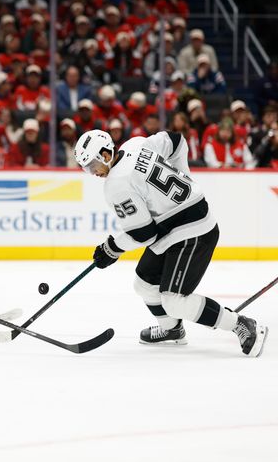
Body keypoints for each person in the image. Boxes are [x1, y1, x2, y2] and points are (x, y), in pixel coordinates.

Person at [73, 129, 267, 356]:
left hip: (192, 230)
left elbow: (145, 234)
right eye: (86, 168)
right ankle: (172, 330)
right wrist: (184, 175)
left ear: (106, 155)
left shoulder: (116, 184)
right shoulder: (135, 144)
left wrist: (112, 248)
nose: (91, 172)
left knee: (174, 301)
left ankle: (241, 324)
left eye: (92, 165)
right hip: (174, 228)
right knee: (144, 285)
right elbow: (176, 140)